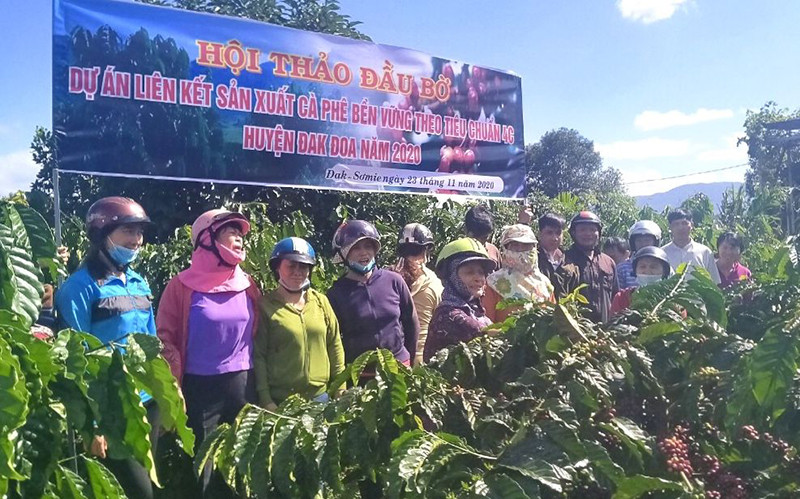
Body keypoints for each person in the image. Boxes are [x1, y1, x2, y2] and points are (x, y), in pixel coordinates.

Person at [55, 197, 159, 499]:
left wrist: (164, 397)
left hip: (145, 402)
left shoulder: (138, 282)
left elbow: (150, 346)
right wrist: (93, 425)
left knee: (147, 485)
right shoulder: (80, 287)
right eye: (128, 231)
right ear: (102, 233)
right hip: (111, 407)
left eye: (139, 232)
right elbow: (75, 360)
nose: (136, 240)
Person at [156, 208, 260, 496]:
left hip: (242, 384)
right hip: (200, 389)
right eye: (231, 232)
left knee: (244, 461)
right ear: (206, 239)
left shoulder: (248, 284)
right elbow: (166, 339)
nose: (239, 238)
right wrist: (173, 389)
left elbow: (258, 334)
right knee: (204, 466)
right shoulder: (180, 286)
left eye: (241, 233)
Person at [255, 237, 345, 410]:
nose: (297, 271)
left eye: (303, 266)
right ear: (277, 267)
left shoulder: (321, 302)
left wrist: (340, 386)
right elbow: (259, 355)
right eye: (291, 265)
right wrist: (265, 399)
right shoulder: (265, 306)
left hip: (321, 398)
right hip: (281, 401)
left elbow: (334, 345)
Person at [326, 220, 420, 367]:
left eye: (368, 246)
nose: (363, 252)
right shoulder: (336, 294)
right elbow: (333, 340)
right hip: (360, 375)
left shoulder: (394, 280)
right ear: (344, 254)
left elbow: (411, 322)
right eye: (355, 248)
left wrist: (409, 359)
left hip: (399, 367)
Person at [423, 237, 498, 362]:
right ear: (451, 276)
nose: (478, 278)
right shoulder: (448, 314)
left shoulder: (475, 310)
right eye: (469, 272)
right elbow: (486, 334)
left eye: (481, 272)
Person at [392, 223, 443, 366]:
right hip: (421, 360)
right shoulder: (432, 282)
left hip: (392, 360)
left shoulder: (387, 276)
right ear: (425, 251)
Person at [484, 224, 554, 323]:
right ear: (505, 249)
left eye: (526, 246)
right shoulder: (493, 283)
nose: (521, 250)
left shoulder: (545, 284)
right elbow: (486, 324)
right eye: (515, 245)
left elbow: (552, 321)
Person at [564, 211, 619, 323]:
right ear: (573, 233)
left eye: (592, 229)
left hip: (606, 331)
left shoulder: (608, 262)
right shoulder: (564, 260)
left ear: (599, 233)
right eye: (583, 230)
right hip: (576, 329)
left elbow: (616, 296)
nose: (588, 234)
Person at [661, 209, 721, 284]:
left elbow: (714, 282)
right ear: (670, 227)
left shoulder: (704, 252)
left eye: (684, 223)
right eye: (676, 224)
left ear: (692, 225)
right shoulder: (662, 253)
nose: (680, 228)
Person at [610, 246, 672, 315]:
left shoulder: (673, 300)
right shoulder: (621, 298)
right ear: (635, 271)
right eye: (642, 266)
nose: (647, 271)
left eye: (653, 267)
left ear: (664, 272)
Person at [536, 213, 580, 300]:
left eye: (558, 233)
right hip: (539, 311)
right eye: (549, 233)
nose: (555, 238)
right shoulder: (533, 260)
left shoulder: (570, 263)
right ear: (540, 234)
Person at [616, 220, 662, 290]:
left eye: (647, 240)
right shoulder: (622, 268)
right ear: (633, 243)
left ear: (655, 242)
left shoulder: (663, 265)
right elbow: (618, 295)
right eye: (639, 241)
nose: (643, 244)